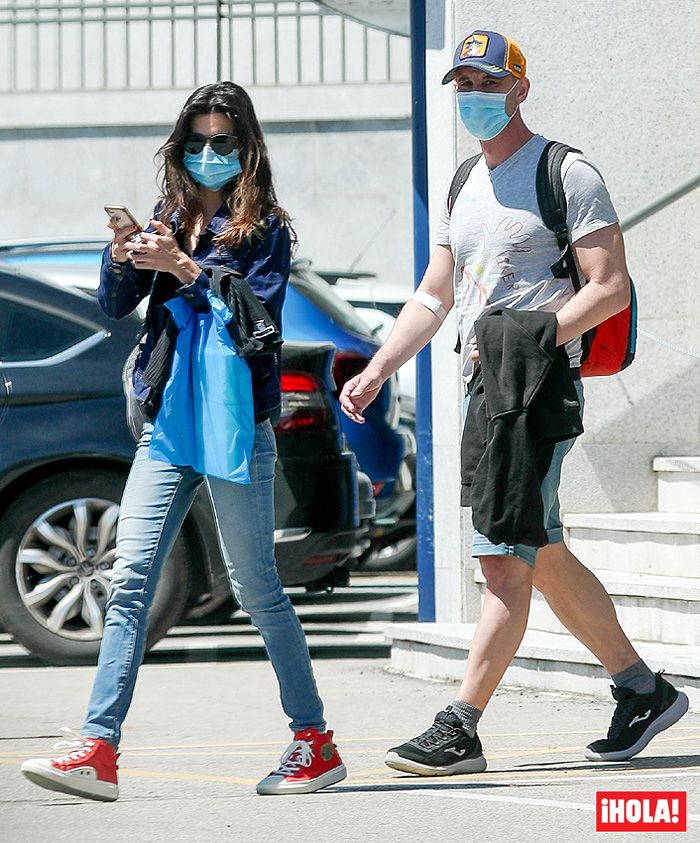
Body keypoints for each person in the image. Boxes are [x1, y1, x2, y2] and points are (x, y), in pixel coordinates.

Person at [340, 30, 688, 776]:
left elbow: (609, 285)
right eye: (463, 84)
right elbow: (436, 296)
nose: (474, 97)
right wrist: (377, 368)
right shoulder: (464, 181)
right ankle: (643, 689)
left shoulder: (568, 172)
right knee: (543, 551)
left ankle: (459, 724)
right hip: (485, 388)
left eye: (486, 83)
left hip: (537, 389)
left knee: (503, 559)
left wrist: (533, 341)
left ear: (519, 89)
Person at [21, 81, 346, 799]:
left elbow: (258, 321)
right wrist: (120, 253)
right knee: (130, 578)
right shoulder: (170, 216)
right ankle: (98, 746)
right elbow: (116, 304)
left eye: (220, 141)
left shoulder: (267, 230)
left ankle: (313, 739)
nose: (206, 153)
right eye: (194, 140)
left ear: (246, 148)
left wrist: (186, 268)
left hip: (235, 428)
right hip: (168, 427)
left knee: (257, 588)